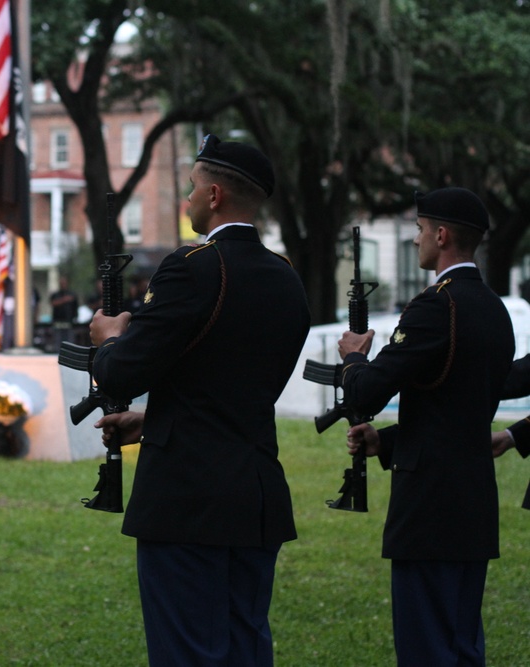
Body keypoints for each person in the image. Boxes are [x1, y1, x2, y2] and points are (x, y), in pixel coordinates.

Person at [89, 134, 310, 666]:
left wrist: (109, 339)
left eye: (191, 187)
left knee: (188, 651)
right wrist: (157, 419)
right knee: (245, 647)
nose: (187, 199)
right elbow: (230, 386)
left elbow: (121, 371)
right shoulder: (286, 279)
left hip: (189, 498)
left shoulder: (192, 267)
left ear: (214, 195)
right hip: (254, 493)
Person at [338, 187, 513, 667]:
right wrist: (386, 441)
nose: (416, 240)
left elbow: (366, 393)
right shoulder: (495, 310)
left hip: (430, 510)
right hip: (472, 502)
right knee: (461, 645)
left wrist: (354, 359)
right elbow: (456, 410)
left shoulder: (437, 306)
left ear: (440, 235)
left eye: (418, 230)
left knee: (427, 649)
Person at [49, 275, 78, 349]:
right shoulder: (56, 295)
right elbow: (53, 303)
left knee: (69, 339)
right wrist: (64, 300)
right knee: (58, 339)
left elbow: (75, 306)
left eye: (64, 283)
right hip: (58, 320)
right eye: (61, 283)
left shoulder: (72, 294)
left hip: (69, 320)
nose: (63, 284)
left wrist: (75, 317)